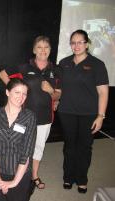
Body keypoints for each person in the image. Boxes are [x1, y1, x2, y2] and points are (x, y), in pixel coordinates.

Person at [0, 36, 61, 189]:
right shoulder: (24, 67)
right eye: (39, 47)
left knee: (38, 148)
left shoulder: (56, 70)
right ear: (34, 50)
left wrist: (51, 90)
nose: (43, 50)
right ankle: (19, 175)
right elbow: (2, 74)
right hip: (23, 117)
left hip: (45, 118)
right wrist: (15, 91)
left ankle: (34, 176)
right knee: (20, 147)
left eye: (46, 47)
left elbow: (58, 95)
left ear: (50, 50)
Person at [58, 29, 109, 193]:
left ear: (86, 44)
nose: (76, 45)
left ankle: (81, 179)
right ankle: (68, 177)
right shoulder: (64, 63)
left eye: (80, 42)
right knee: (69, 147)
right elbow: (59, 88)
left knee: (84, 147)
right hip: (67, 112)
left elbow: (103, 92)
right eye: (73, 42)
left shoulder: (97, 64)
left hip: (88, 114)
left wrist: (100, 116)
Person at [0, 78, 37, 201]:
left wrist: (14, 182)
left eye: (24, 94)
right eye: (17, 92)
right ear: (7, 92)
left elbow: (26, 153)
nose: (21, 97)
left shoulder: (29, 117)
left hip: (21, 173)